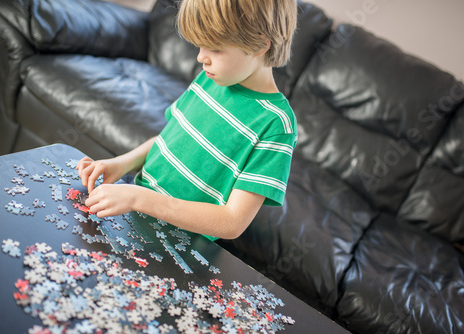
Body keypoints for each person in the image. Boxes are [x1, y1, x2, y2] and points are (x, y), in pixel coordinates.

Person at [77, 0, 298, 240]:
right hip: (133, 212)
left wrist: (138, 198)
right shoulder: (209, 79)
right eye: (200, 46)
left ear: (259, 45)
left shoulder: (276, 124)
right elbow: (168, 140)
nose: (201, 57)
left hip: (177, 243)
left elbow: (232, 222)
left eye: (214, 48)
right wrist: (121, 164)